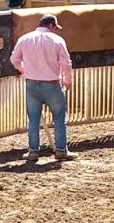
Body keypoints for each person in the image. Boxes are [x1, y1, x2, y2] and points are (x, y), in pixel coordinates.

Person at [10, 14, 76, 161]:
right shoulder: (57, 40)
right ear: (51, 25)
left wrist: (25, 71)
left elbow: (14, 59)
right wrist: (67, 81)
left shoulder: (25, 39)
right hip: (51, 84)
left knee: (33, 119)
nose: (55, 30)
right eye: (55, 28)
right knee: (59, 117)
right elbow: (66, 63)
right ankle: (61, 150)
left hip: (32, 84)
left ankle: (33, 151)